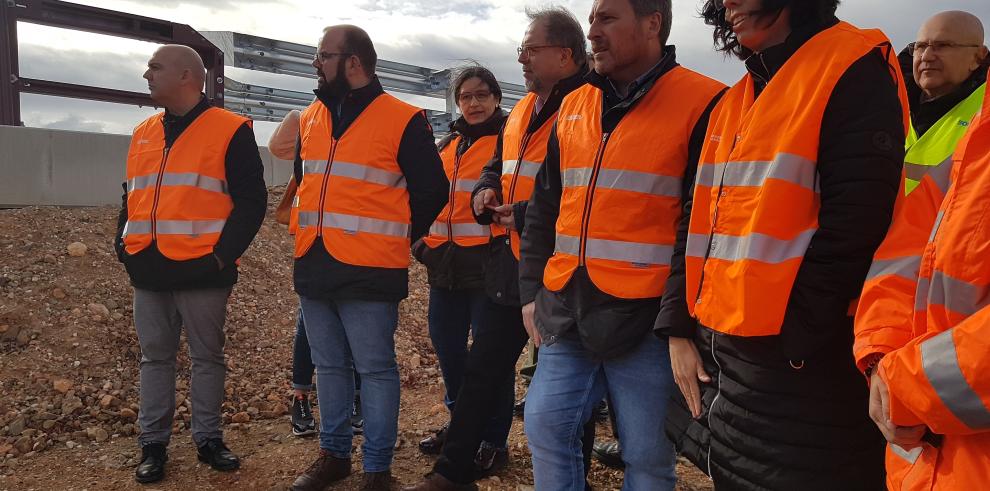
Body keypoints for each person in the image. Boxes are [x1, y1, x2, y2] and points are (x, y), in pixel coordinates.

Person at [658, 0, 909, 488]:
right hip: (733, 360)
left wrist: (794, 338)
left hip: (799, 368)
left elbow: (859, 223)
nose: (726, 4)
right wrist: (678, 325)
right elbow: (695, 223)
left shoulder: (850, 66)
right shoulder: (738, 98)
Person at [519, 0, 726, 488]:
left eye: (607, 18)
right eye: (592, 19)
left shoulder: (706, 102)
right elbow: (545, 205)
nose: (593, 31)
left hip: (648, 322)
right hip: (568, 307)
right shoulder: (574, 106)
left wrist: (679, 325)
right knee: (546, 428)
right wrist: (530, 291)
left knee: (648, 457)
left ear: (652, 23)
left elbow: (701, 227)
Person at [403, 6, 592, 491]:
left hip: (571, 264)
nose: (522, 59)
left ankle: (577, 475)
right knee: (485, 365)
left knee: (570, 382)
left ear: (565, 53)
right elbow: (497, 168)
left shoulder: (593, 103)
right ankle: (453, 470)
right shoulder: (526, 110)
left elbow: (590, 190)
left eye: (530, 49)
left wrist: (527, 214)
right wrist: (484, 192)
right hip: (512, 261)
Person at [288, 25, 448, 491]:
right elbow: (306, 182)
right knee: (330, 365)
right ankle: (334, 455)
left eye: (323, 56)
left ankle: (377, 469)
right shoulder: (312, 117)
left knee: (375, 369)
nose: (316, 64)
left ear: (353, 62)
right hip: (315, 262)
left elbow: (432, 190)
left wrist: (396, 237)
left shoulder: (403, 118)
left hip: (371, 267)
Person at [114, 44, 267, 484]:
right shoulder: (143, 131)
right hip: (148, 267)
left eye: (155, 67)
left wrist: (221, 256)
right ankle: (153, 445)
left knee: (206, 358)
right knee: (154, 359)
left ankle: (208, 439)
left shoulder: (230, 129)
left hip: (203, 269)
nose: (146, 74)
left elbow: (251, 202)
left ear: (187, 76)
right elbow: (133, 196)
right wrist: (122, 243)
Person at [853, 12, 988, 490]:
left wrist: (904, 385)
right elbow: (904, 250)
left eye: (944, 46)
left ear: (980, 58)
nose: (927, 55)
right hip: (888, 333)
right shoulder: (903, 114)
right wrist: (879, 356)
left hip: (937, 398)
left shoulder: (971, 123)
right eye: (922, 46)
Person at [412, 66, 509, 462]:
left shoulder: (509, 142)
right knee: (450, 352)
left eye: (481, 95)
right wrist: (418, 242)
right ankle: (460, 424)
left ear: (497, 99)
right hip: (445, 268)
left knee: (491, 359)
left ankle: (493, 440)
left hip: (488, 268)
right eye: (466, 97)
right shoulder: (448, 144)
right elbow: (426, 197)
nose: (473, 103)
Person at [268, 112, 366, 439]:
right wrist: (300, 117)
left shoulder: (370, 120)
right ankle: (301, 397)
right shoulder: (311, 118)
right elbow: (277, 147)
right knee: (307, 327)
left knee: (354, 325)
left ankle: (354, 397)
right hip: (314, 243)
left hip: (355, 244)